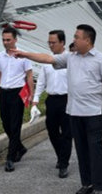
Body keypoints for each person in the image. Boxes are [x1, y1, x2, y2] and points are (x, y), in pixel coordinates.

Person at [11, 24, 102, 194]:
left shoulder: (101, 59)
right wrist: (24, 54)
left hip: (94, 112)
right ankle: (87, 184)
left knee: (95, 150)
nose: (73, 40)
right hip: (74, 111)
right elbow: (47, 59)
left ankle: (99, 187)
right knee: (81, 150)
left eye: (76, 37)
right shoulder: (70, 58)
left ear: (87, 40)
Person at [0, 26, 34, 172]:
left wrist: (31, 96)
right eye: (3, 40)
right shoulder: (0, 56)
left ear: (15, 40)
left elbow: (29, 76)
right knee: (6, 123)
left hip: (18, 93)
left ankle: (10, 158)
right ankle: (20, 148)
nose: (5, 42)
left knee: (15, 125)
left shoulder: (23, 56)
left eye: (8, 40)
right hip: (4, 92)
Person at [32, 30, 72, 178]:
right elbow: (41, 82)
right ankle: (61, 156)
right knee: (52, 131)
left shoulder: (70, 60)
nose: (51, 45)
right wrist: (35, 98)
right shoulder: (47, 62)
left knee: (67, 133)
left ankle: (63, 164)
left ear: (62, 43)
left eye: (53, 42)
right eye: (49, 42)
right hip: (52, 100)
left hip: (67, 100)